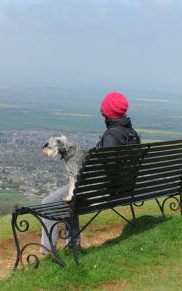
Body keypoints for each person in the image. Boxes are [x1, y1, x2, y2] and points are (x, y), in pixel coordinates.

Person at [40, 91, 140, 254]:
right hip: (125, 189)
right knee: (68, 195)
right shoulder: (132, 134)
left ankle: (48, 252)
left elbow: (108, 167)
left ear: (106, 112)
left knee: (49, 202)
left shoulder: (111, 136)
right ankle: (72, 244)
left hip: (104, 191)